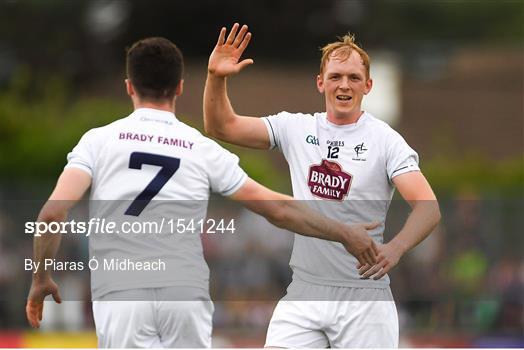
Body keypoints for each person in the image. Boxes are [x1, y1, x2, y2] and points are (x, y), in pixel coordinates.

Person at [25, 37, 381, 348]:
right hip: (185, 293)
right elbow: (277, 209)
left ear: (129, 86)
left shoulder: (98, 141)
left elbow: (53, 213)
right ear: (180, 87)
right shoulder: (199, 147)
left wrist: (41, 277)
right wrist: (342, 232)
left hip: (123, 290)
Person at [204, 23, 441, 347]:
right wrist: (217, 77)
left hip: (364, 298)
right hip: (305, 291)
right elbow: (221, 126)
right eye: (336, 76)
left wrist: (395, 249)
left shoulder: (385, 140)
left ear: (368, 85)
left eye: (354, 78)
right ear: (321, 83)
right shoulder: (295, 127)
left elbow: (429, 208)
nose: (344, 85)